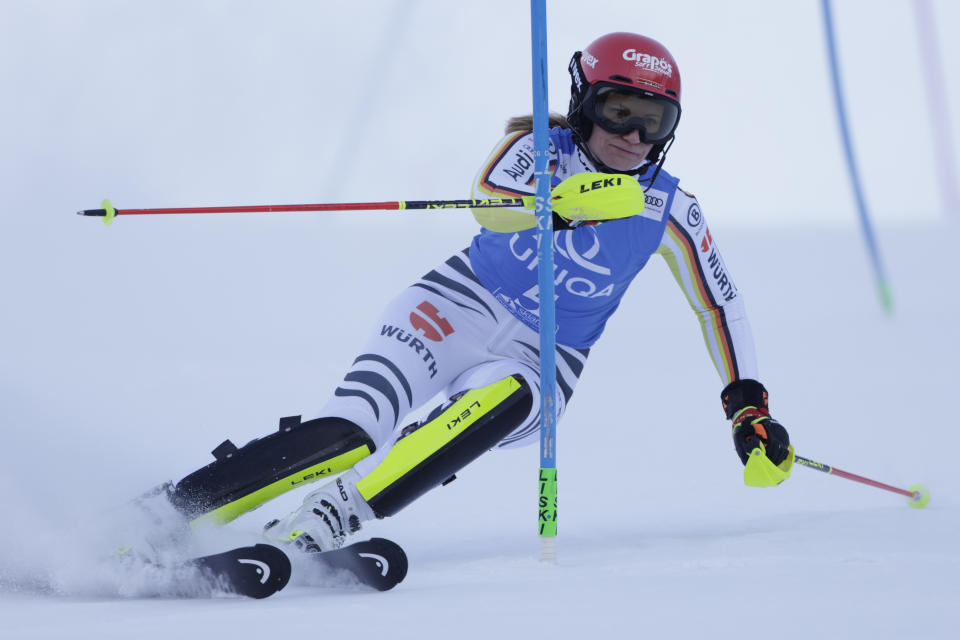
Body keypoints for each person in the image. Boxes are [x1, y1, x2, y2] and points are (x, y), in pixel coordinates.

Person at [161, 32, 794, 554]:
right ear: (584, 103)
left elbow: (719, 305)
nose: (633, 136)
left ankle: (331, 517)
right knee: (351, 433)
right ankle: (169, 513)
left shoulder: (669, 208)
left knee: (507, 400)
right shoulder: (540, 150)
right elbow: (489, 202)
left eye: (653, 121)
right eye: (617, 110)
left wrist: (748, 406)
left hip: (543, 358)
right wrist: (555, 209)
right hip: (451, 308)